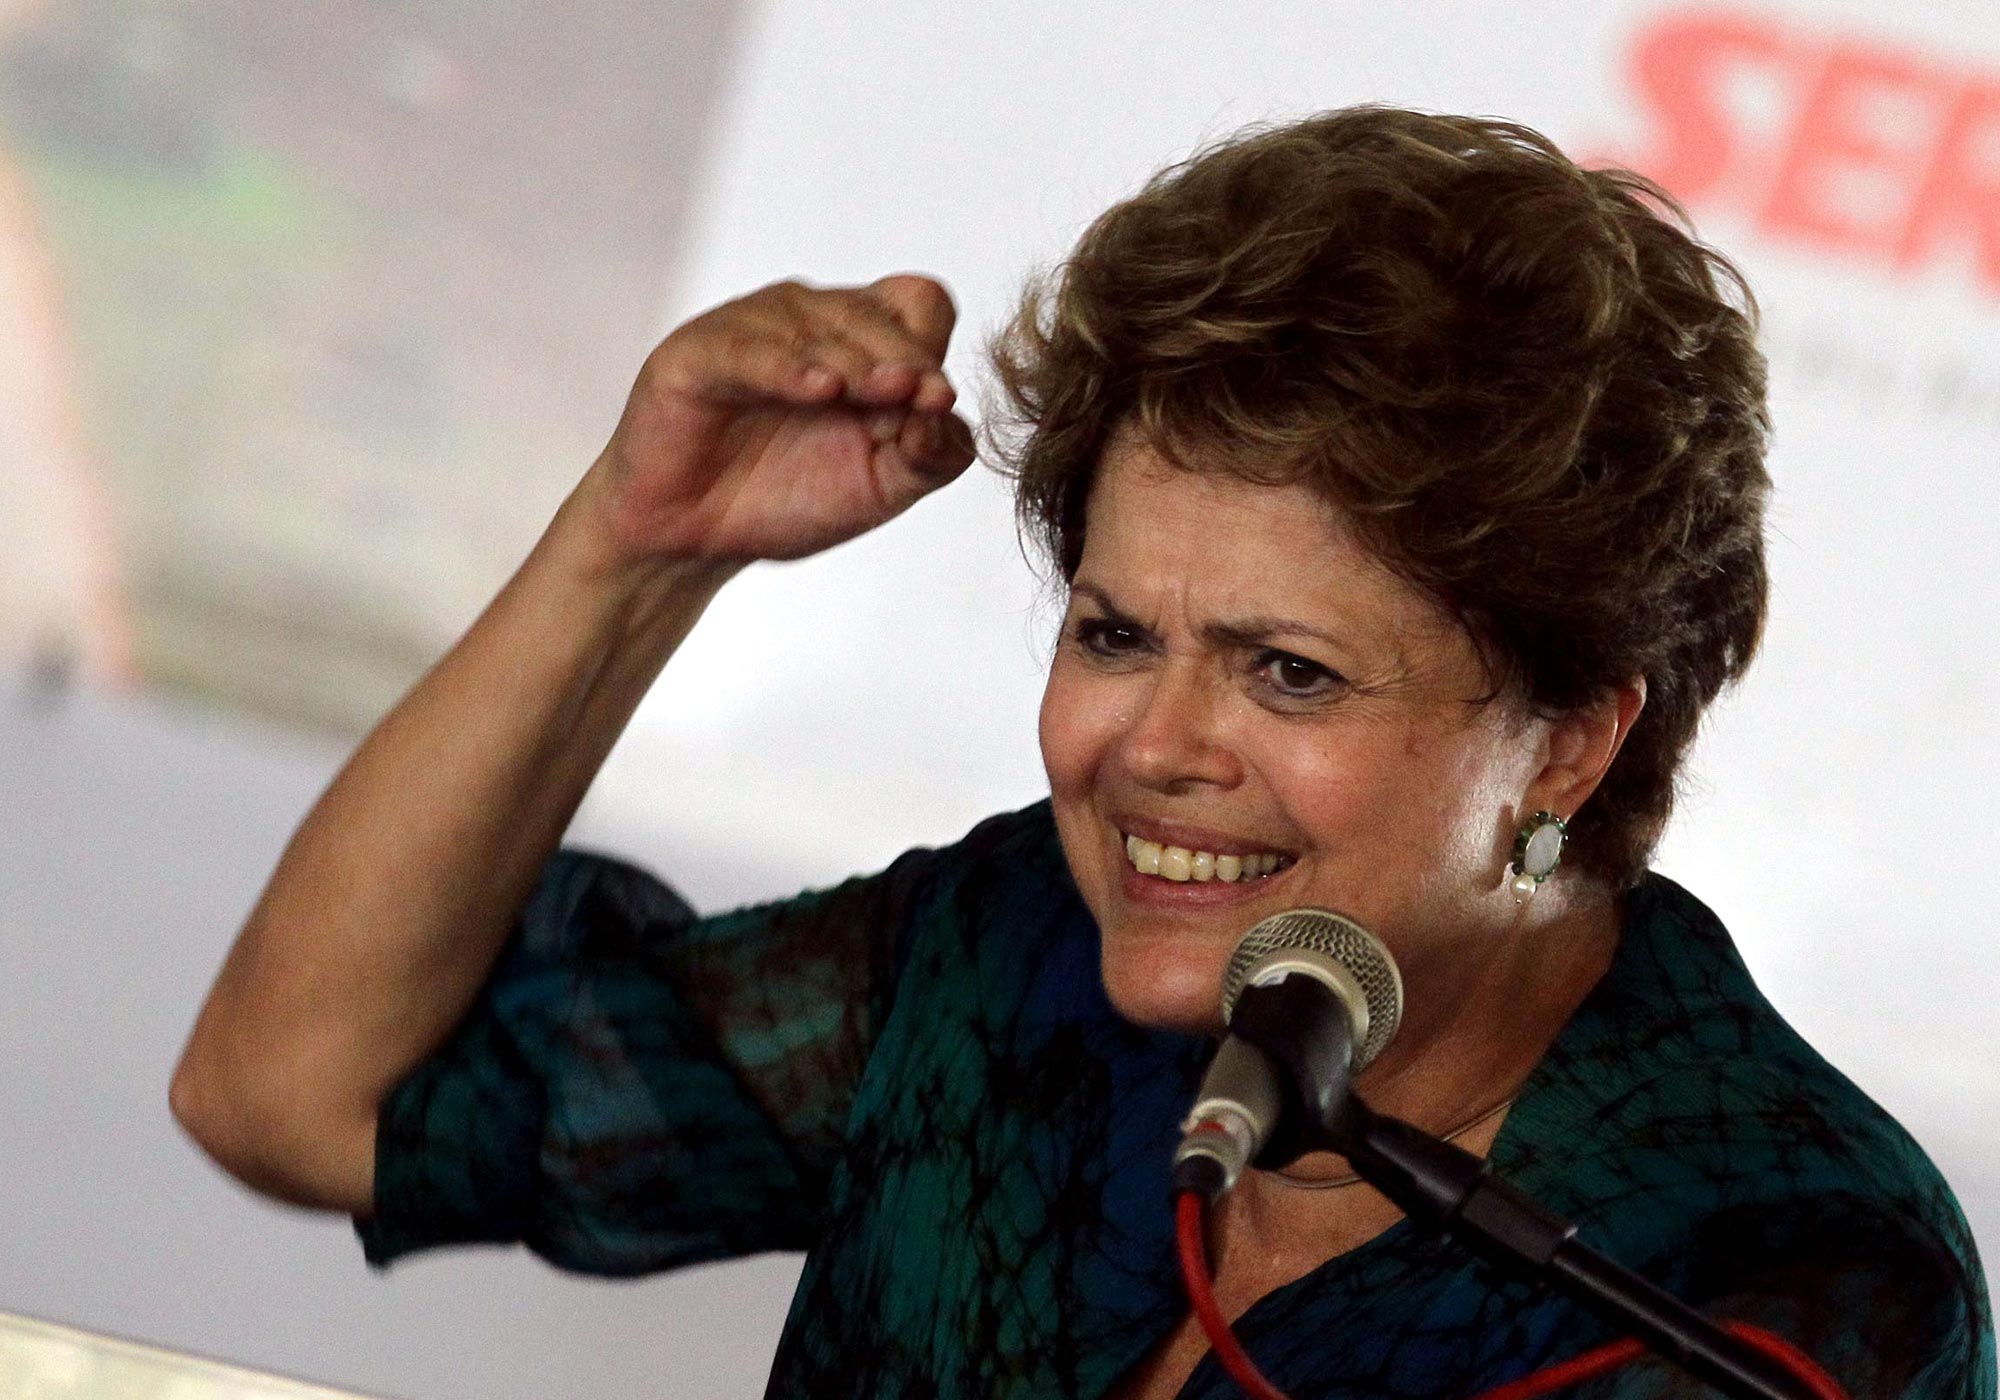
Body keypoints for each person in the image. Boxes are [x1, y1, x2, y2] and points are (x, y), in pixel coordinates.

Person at [171, 107, 1995, 1398]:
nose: (1152, 750)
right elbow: (296, 1093)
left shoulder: (1794, 1277)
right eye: (1116, 635)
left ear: (1571, 744)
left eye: (1288, 673)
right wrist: (635, 551)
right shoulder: (1015, 960)